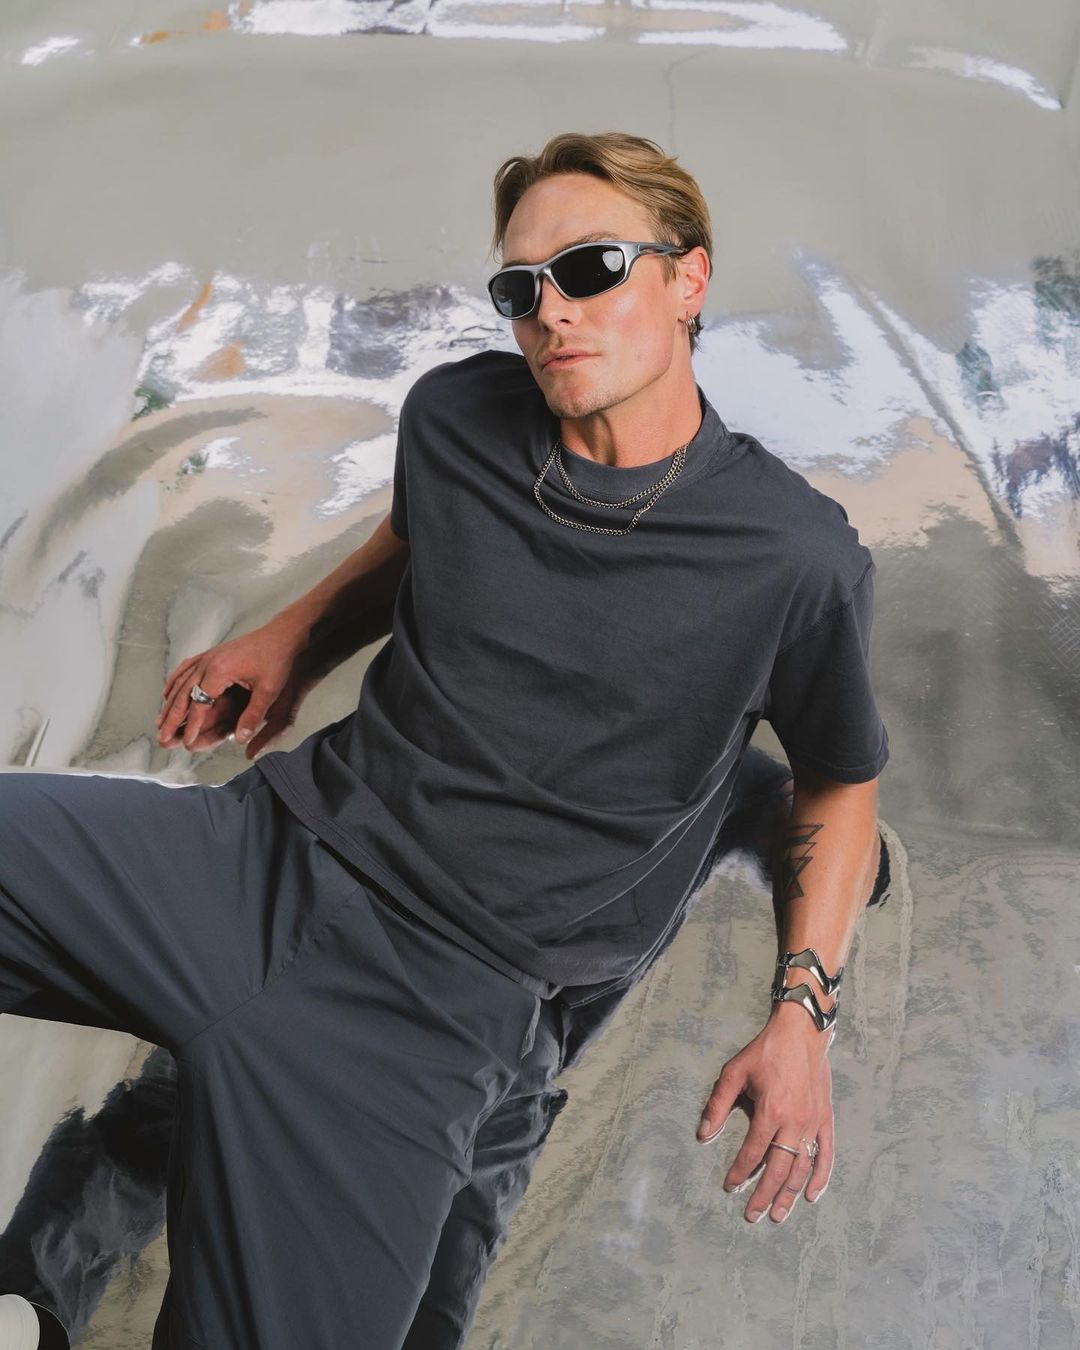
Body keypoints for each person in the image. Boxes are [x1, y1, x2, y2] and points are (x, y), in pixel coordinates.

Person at [0, 130, 890, 1349]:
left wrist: (802, 1018)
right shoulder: (460, 412)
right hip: (259, 858)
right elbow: (418, 539)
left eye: (591, 269)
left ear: (689, 276)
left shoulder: (794, 556)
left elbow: (840, 787)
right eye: (520, 286)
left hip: (436, 999)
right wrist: (295, 636)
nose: (551, 312)